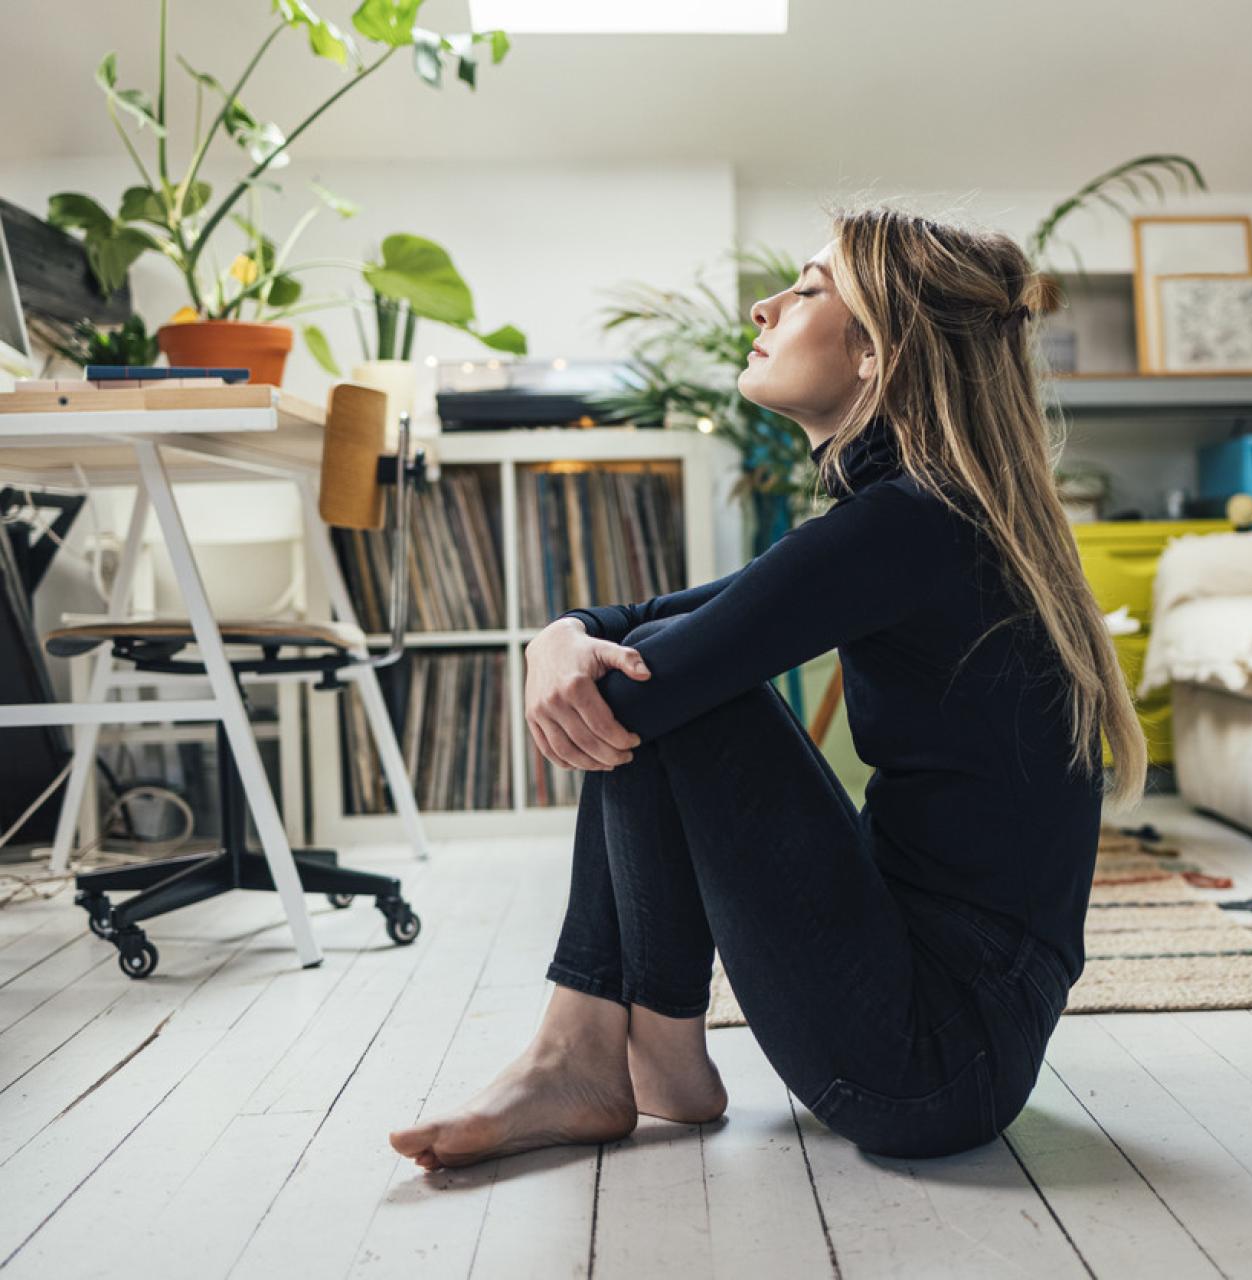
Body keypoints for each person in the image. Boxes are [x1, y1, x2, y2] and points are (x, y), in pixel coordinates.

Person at [388, 206, 1147, 1170]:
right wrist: (558, 635)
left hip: (929, 1064)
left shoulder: (910, 525)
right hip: (952, 1043)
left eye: (808, 288)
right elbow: (652, 624)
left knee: (667, 680)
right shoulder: (931, 514)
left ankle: (592, 1053)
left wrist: (580, 649)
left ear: (876, 349)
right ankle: (633, 1054)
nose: (764, 305)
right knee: (668, 662)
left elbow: (648, 673)